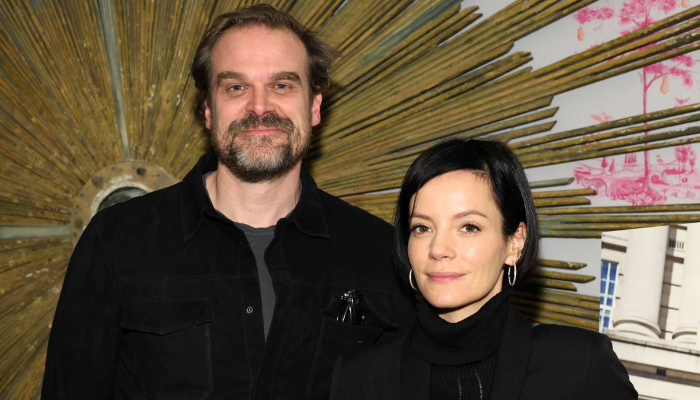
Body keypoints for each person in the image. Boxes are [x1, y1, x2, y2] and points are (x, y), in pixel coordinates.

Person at [41, 5, 415, 400]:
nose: (259, 106)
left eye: (282, 85)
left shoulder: (378, 252)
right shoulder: (116, 242)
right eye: (236, 87)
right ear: (208, 109)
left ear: (314, 107)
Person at [330, 139, 637, 400]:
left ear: (514, 242)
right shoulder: (361, 378)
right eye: (422, 228)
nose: (438, 249)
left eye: (469, 227)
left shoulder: (580, 366)